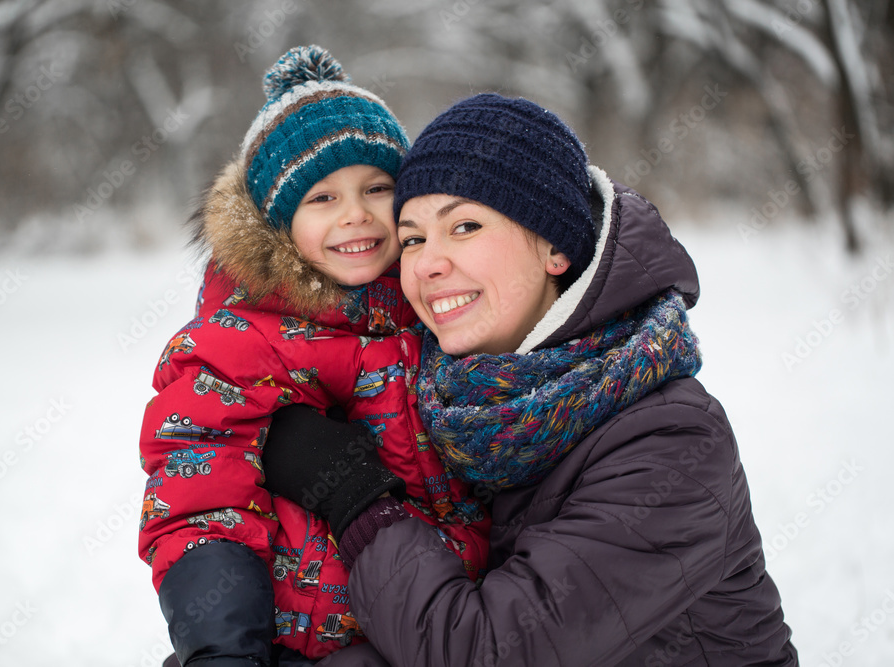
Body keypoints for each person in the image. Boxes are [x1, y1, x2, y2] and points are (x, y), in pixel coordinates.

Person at [261, 93, 800, 665]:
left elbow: (487, 650)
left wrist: (358, 500)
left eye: (464, 226)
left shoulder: (671, 441)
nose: (427, 264)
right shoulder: (451, 407)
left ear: (555, 249)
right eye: (413, 238)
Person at [138, 48, 490, 667]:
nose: (356, 213)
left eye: (376, 188)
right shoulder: (239, 341)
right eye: (322, 197)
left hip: (436, 621)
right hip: (302, 642)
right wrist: (224, 647)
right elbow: (200, 498)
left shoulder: (438, 313)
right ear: (276, 221)